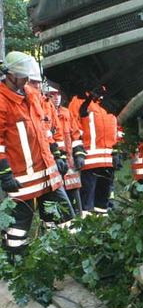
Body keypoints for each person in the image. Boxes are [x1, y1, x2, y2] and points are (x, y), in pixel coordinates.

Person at [0, 52, 74, 255]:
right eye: (24, 77)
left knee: (65, 217)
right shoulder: (1, 101)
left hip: (47, 173)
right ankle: (16, 264)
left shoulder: (31, 95)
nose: (27, 81)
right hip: (21, 178)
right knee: (18, 228)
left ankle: (63, 256)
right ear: (10, 75)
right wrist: (4, 173)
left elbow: (43, 129)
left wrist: (56, 154)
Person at [68, 87, 120, 215]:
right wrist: (78, 152)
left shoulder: (108, 103)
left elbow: (116, 130)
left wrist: (117, 151)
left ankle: (101, 229)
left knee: (103, 202)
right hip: (89, 162)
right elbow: (74, 128)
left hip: (108, 162)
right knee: (87, 201)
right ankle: (86, 228)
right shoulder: (79, 102)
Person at [44, 84, 85, 213]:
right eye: (52, 95)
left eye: (58, 94)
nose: (56, 98)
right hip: (53, 160)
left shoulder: (66, 112)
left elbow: (75, 134)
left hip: (69, 161)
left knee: (74, 189)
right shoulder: (44, 114)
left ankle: (77, 220)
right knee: (56, 193)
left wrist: (79, 154)